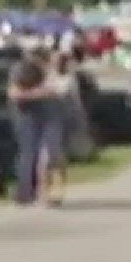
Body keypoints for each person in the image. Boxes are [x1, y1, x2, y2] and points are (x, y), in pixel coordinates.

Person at [7, 48, 58, 207]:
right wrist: (40, 93)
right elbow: (15, 93)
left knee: (42, 155)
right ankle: (25, 192)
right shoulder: (22, 69)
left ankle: (38, 192)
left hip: (43, 118)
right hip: (27, 117)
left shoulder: (45, 71)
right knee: (29, 155)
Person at [41, 52, 83, 207]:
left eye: (60, 62)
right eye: (54, 61)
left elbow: (75, 101)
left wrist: (80, 120)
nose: (57, 64)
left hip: (63, 121)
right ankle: (45, 193)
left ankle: (58, 190)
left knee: (58, 158)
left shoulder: (69, 80)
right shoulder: (46, 77)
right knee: (45, 159)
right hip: (46, 121)